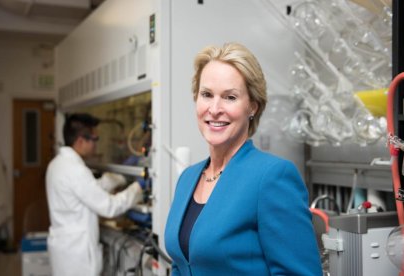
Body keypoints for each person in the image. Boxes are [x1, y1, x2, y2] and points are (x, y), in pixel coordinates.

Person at [164, 42, 322, 275]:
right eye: (206, 94)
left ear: (252, 107)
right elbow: (181, 264)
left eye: (230, 97)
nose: (215, 108)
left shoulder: (272, 177)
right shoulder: (188, 178)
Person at [46, 113, 144, 276]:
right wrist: (138, 188)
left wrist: (120, 177)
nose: (96, 145)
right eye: (95, 139)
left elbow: (88, 189)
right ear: (80, 141)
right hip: (77, 257)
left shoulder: (58, 164)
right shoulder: (75, 170)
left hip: (66, 250)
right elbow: (109, 207)